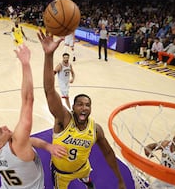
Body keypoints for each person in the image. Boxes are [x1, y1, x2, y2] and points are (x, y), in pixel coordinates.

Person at [37, 29, 126, 189]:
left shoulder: (95, 129)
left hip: (82, 167)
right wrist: (48, 55)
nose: (84, 107)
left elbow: (108, 153)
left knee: (86, 177)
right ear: (73, 108)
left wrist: (119, 179)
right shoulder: (63, 119)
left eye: (87, 105)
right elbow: (49, 90)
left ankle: (87, 181)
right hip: (61, 174)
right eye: (80, 104)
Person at [0, 44, 66, 189]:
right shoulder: (17, 145)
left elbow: (28, 140)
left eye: (0, 127)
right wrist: (25, 63)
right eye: (1, 131)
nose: (5, 127)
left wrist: (47, 146)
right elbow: (28, 99)